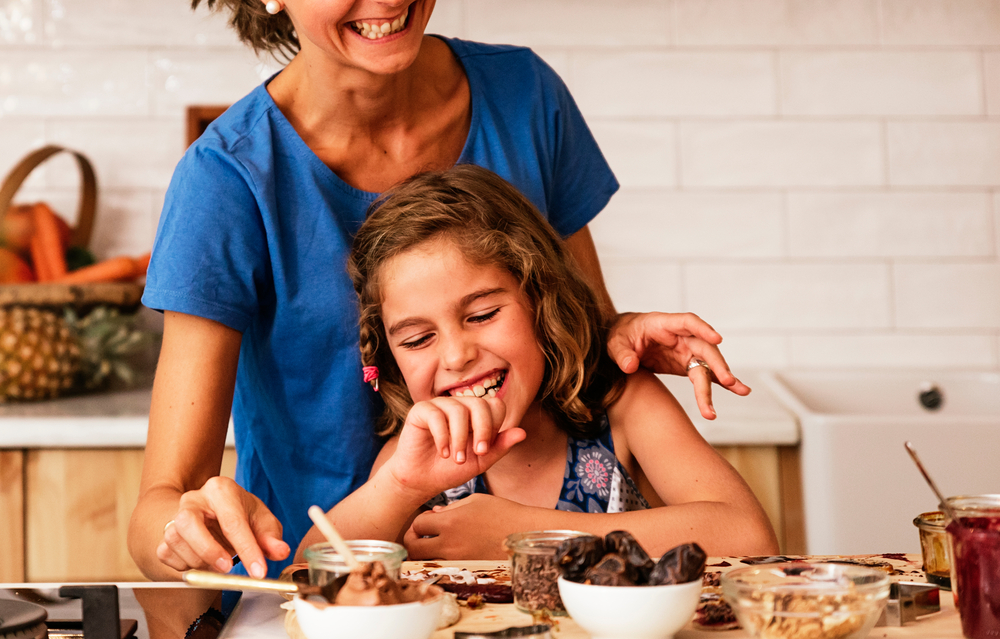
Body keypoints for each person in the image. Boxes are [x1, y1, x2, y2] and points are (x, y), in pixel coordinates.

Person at [131, 0, 752, 583]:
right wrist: (188, 524)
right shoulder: (229, 180)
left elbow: (570, 353)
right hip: (311, 593)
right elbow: (160, 502)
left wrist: (619, 330)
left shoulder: (526, 98)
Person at [300, 166, 778, 558]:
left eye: (483, 314)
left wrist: (521, 537)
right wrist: (401, 487)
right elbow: (306, 577)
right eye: (419, 338)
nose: (456, 354)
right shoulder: (418, 454)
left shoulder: (621, 405)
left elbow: (748, 537)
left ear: (541, 302)